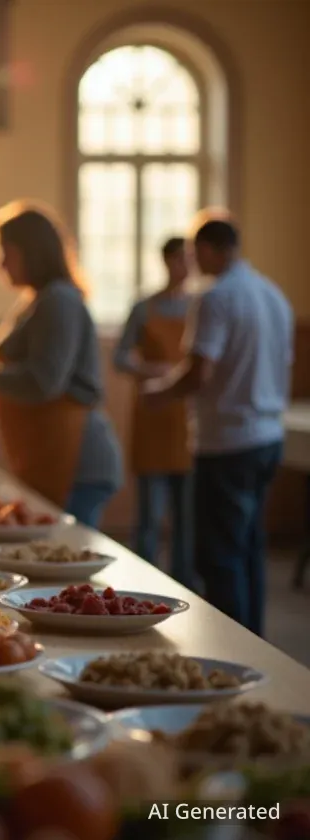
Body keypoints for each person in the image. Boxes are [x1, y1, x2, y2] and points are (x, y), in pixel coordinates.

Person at [143, 215, 294, 637]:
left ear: (208, 249)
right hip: (267, 437)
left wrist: (160, 392)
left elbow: (199, 373)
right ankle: (254, 638)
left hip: (227, 442)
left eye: (194, 252)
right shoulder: (272, 294)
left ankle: (233, 648)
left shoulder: (216, 296)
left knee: (219, 555)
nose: (193, 262)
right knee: (249, 549)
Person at [0, 201, 123, 528]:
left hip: (75, 461)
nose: (0, 263)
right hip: (48, 453)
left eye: (5, 251)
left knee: (63, 555)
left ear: (31, 252)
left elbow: (45, 381)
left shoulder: (59, 300)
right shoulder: (37, 300)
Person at [112, 237, 195, 588]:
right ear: (166, 262)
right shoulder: (144, 307)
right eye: (178, 260)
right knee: (149, 515)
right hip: (152, 415)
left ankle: (186, 585)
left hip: (190, 420)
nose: (185, 267)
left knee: (187, 518)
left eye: (188, 259)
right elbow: (120, 356)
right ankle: (144, 589)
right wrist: (150, 370)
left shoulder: (201, 305)